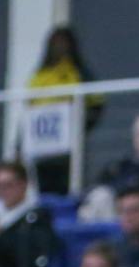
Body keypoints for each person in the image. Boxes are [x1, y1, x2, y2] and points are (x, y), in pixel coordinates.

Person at [25, 26, 104, 195]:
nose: (60, 47)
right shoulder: (39, 76)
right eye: (56, 43)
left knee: (68, 182)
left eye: (63, 43)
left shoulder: (80, 73)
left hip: (69, 144)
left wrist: (79, 127)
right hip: (42, 141)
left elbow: (96, 103)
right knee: (43, 185)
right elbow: (28, 110)